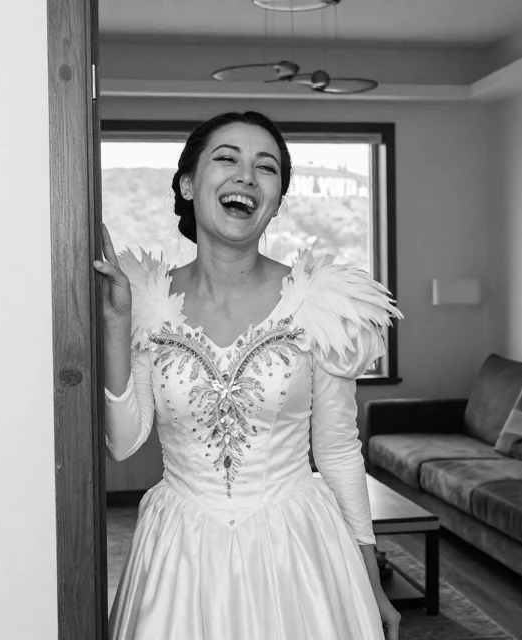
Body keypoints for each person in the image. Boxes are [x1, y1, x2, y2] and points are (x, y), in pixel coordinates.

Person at [93, 111, 404, 640]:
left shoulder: (321, 301)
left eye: (266, 167)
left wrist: (371, 579)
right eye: (226, 159)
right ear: (189, 184)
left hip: (298, 551)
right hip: (182, 553)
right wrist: (116, 322)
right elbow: (123, 444)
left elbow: (336, 450)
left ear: (277, 199)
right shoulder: (144, 300)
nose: (246, 177)